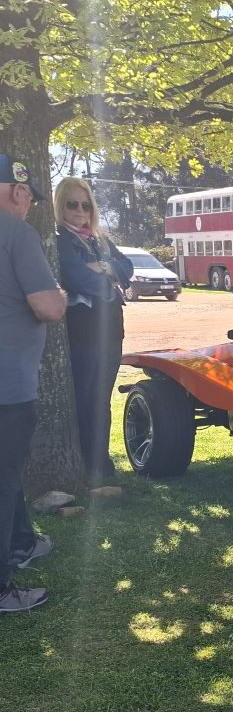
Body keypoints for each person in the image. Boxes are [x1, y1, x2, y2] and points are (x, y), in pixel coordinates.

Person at [0, 154, 66, 614]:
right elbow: (48, 307)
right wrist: (61, 293)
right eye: (27, 198)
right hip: (6, 388)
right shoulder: (17, 234)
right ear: (19, 192)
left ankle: (21, 543)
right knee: (3, 481)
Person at [54, 178, 133, 484]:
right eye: (72, 204)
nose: (79, 211)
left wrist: (103, 266)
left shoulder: (99, 240)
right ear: (61, 205)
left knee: (102, 398)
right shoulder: (60, 240)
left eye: (85, 204)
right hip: (84, 332)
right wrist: (107, 274)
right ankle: (90, 463)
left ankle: (101, 461)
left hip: (112, 328)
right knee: (85, 397)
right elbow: (77, 279)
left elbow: (127, 268)